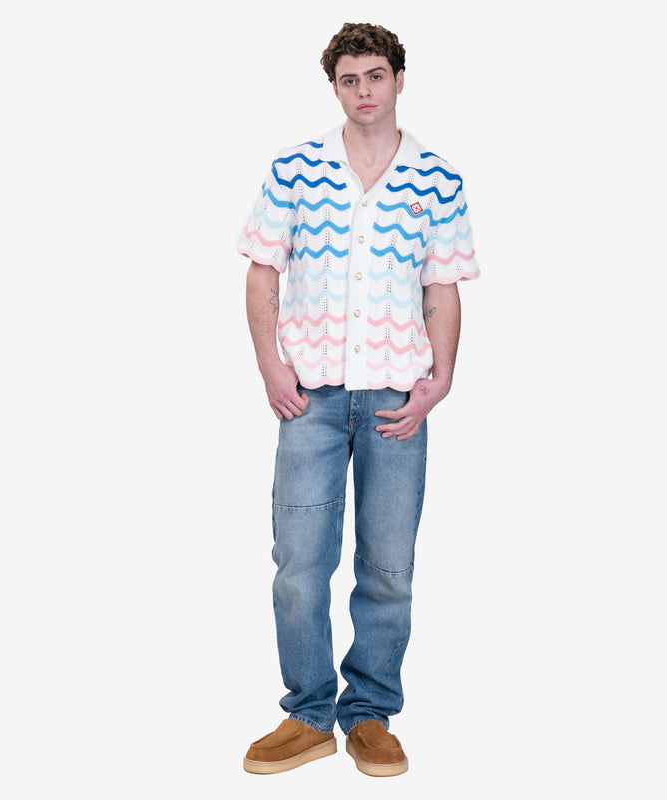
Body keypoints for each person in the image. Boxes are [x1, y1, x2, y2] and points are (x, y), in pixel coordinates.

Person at [238, 22, 480, 777]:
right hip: (308, 397)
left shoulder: (436, 178)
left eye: (376, 76)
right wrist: (270, 367)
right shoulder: (295, 169)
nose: (364, 90)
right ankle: (309, 714)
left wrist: (441, 377)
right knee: (298, 564)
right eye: (350, 79)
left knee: (388, 566)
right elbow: (262, 270)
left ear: (399, 79)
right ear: (335, 87)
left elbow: (442, 286)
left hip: (396, 400)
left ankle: (370, 713)